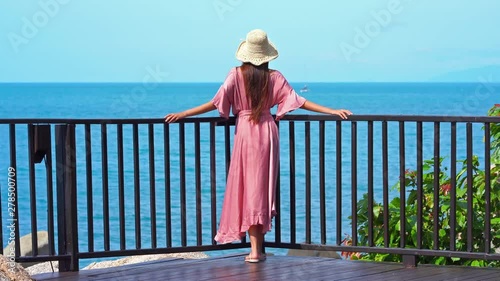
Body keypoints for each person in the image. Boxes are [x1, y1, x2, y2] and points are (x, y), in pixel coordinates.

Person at [165, 29, 352, 263]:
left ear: (245, 54)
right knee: (260, 190)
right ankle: (257, 249)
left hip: (245, 132)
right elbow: (299, 100)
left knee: (248, 188)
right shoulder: (274, 77)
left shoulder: (235, 75)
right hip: (266, 132)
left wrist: (184, 113)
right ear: (266, 55)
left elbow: (216, 103)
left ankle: (255, 251)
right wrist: (332, 110)